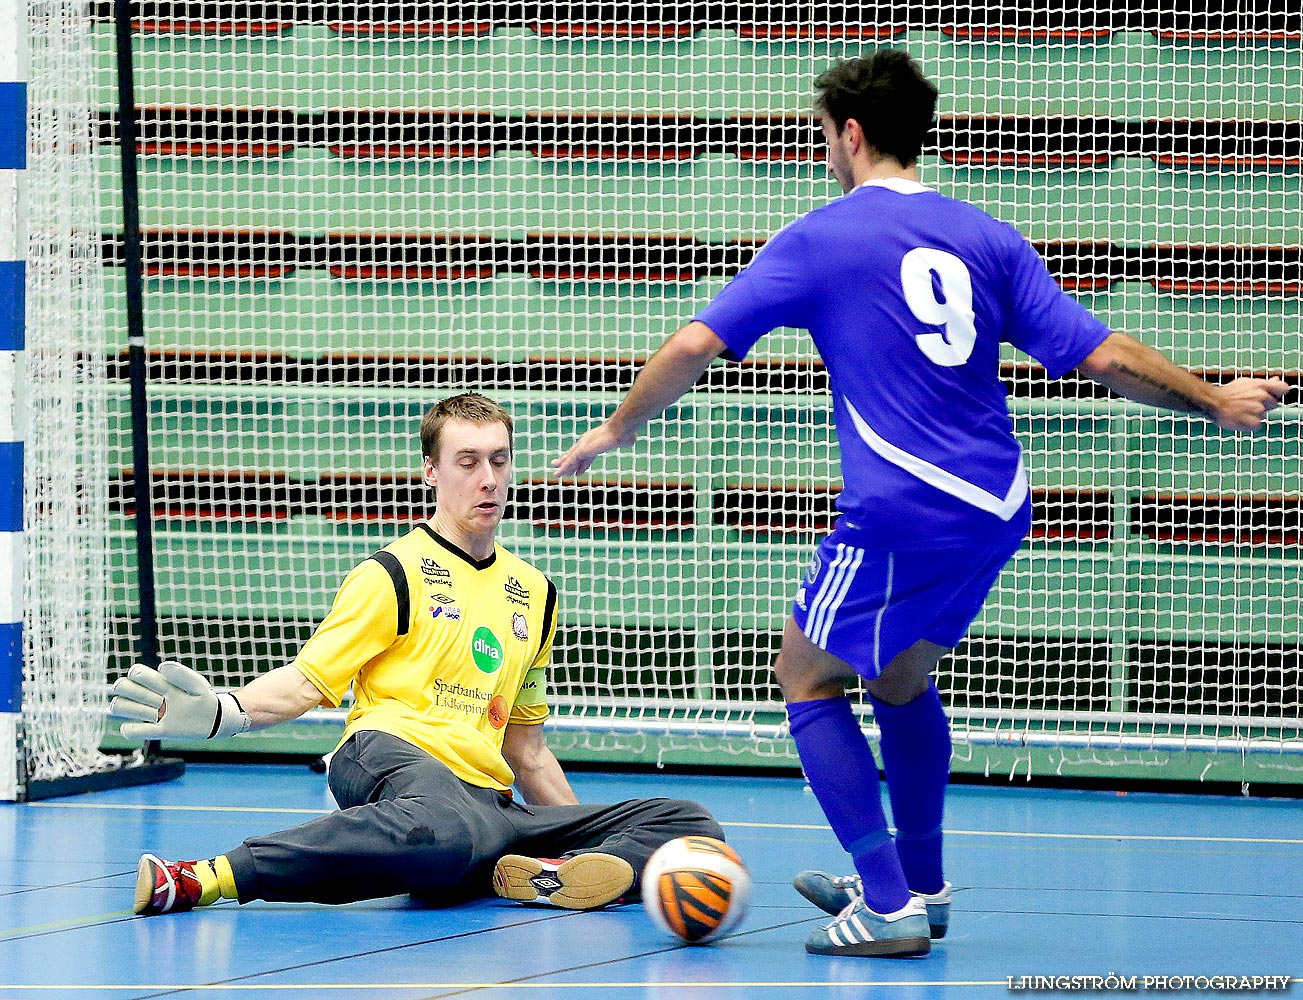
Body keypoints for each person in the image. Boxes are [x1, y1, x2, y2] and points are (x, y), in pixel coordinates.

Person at [554, 51, 1289, 958]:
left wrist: (615, 431)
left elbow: (695, 342)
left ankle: (887, 902)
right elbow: (1101, 354)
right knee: (898, 679)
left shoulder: (821, 237)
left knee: (805, 676)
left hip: (903, 508)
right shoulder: (986, 235)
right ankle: (923, 887)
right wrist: (1215, 399)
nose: (823, 151)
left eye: (824, 135)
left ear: (851, 134)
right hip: (996, 507)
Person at [111, 391, 724, 917]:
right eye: (467, 462)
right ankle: (206, 876)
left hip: (490, 801)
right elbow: (305, 682)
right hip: (391, 757)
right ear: (431, 470)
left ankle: (526, 871)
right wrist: (224, 710)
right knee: (443, 830)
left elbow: (527, 750)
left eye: (498, 461)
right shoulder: (394, 573)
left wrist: (582, 850)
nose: (487, 478)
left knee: (689, 826)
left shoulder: (534, 593)